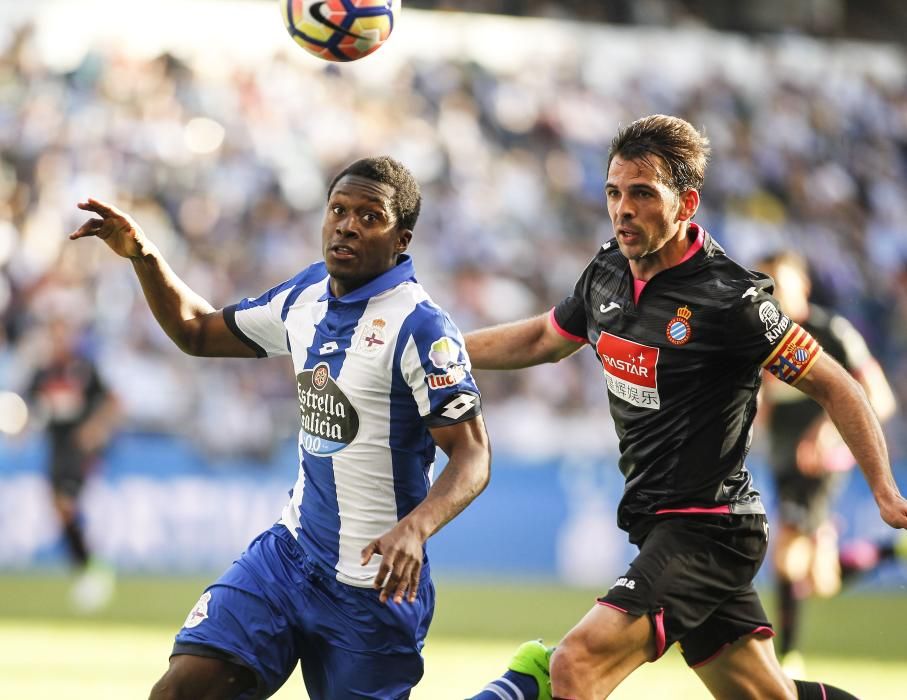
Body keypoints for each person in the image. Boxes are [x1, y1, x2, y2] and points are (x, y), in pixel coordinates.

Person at [465, 115, 907, 700]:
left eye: (643, 193)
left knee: (575, 663)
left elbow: (839, 385)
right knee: (764, 695)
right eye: (614, 192)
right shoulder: (607, 272)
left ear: (687, 203)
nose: (622, 209)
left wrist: (883, 490)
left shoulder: (733, 300)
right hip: (658, 524)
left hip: (709, 527)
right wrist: (437, 353)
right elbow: (543, 339)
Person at [70, 155, 491, 699]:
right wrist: (143, 254)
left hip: (373, 589)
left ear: (401, 239)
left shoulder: (422, 327)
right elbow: (196, 330)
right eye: (338, 210)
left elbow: (473, 453)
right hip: (289, 558)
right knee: (180, 692)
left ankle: (514, 689)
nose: (346, 224)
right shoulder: (306, 297)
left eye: (369, 216)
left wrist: (417, 527)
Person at [754, 251, 904, 676]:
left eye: (779, 283)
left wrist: (827, 430)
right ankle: (890, 550)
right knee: (820, 579)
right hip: (784, 460)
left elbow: (880, 397)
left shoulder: (831, 332)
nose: (772, 294)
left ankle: (788, 660)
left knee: (784, 554)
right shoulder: (756, 335)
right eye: (764, 285)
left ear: (802, 285)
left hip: (821, 463)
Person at [26, 317, 120, 613]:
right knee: (60, 509)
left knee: (66, 504)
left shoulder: (84, 370)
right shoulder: (42, 373)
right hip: (55, 449)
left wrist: (95, 428)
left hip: (78, 450)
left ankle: (93, 570)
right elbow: (26, 407)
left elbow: (114, 402)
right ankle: (87, 567)